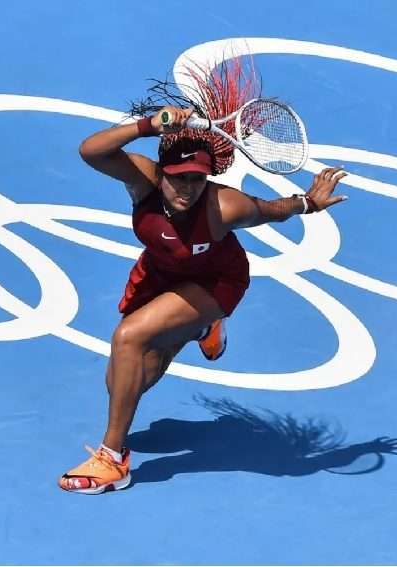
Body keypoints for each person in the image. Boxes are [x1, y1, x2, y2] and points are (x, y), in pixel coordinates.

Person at [58, 61, 348, 494]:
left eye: (196, 178)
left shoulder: (225, 206)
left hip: (215, 282)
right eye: (178, 178)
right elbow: (91, 151)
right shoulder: (143, 181)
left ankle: (113, 461)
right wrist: (146, 125)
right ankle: (194, 328)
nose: (187, 187)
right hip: (159, 275)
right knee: (130, 379)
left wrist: (308, 202)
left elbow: (271, 211)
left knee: (128, 338)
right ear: (163, 172)